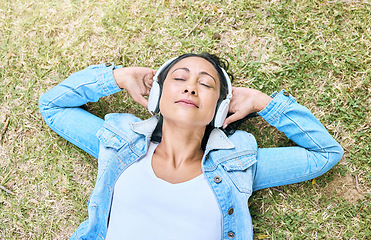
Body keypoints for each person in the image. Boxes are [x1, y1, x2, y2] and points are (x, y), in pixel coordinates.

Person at [39, 53, 344, 240]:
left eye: (207, 84)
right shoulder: (122, 146)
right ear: (157, 95)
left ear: (220, 109)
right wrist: (119, 77)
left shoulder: (238, 167)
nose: (190, 87)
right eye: (179, 78)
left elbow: (325, 154)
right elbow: (52, 107)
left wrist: (264, 103)